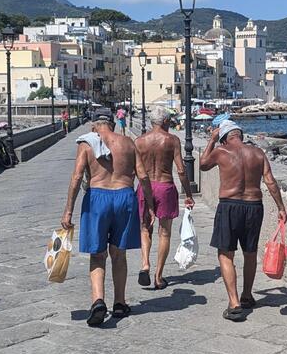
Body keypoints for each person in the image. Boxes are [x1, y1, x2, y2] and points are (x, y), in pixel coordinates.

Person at [60, 108, 155, 327]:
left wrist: (68, 210)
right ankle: (120, 303)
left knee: (98, 254)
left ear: (94, 126)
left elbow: (76, 178)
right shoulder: (128, 143)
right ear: (112, 124)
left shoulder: (86, 144)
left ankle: (98, 301)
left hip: (97, 198)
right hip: (124, 196)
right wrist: (149, 206)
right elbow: (143, 176)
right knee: (118, 254)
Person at [200, 120, 287, 322]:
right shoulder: (258, 153)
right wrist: (281, 208)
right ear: (240, 134)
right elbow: (270, 181)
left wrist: (212, 140)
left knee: (225, 254)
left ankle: (234, 303)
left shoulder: (221, 151)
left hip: (229, 205)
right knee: (250, 253)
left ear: (224, 137)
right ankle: (247, 295)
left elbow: (203, 165)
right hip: (254, 206)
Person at [134, 107, 195, 290]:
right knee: (164, 232)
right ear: (166, 122)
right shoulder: (172, 140)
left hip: (145, 187)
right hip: (165, 186)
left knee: (145, 228)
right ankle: (158, 277)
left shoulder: (139, 141)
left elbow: (134, 170)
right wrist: (188, 194)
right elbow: (182, 170)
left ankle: (145, 263)